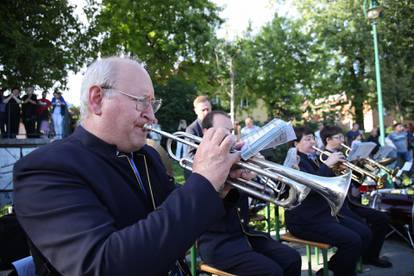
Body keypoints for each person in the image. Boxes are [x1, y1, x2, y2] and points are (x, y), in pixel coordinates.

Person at [13, 56, 247, 275]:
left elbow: (182, 221)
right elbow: (103, 265)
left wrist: (219, 187)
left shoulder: (147, 157)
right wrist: (202, 182)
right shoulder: (44, 169)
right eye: (142, 102)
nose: (152, 117)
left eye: (152, 105)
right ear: (97, 99)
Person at [197, 111, 302, 276]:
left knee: (292, 258)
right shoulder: (198, 162)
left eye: (231, 131)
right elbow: (204, 207)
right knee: (271, 272)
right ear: (206, 133)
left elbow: (270, 197)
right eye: (224, 131)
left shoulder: (236, 157)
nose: (230, 137)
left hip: (245, 234)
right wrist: (233, 181)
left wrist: (261, 173)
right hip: (219, 243)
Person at [285, 126, 372, 276]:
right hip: (304, 221)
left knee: (365, 233)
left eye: (313, 138)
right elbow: (310, 189)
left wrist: (344, 168)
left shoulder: (314, 158)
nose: (312, 142)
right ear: (295, 144)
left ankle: (332, 268)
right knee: (352, 241)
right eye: (307, 139)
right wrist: (327, 165)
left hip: (324, 214)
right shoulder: (295, 163)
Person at [321, 125, 392, 268]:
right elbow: (328, 182)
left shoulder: (343, 155)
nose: (342, 140)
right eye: (338, 137)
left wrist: (359, 165)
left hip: (351, 202)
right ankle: (334, 265)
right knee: (362, 230)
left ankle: (371, 256)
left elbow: (354, 180)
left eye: (342, 137)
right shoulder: (322, 158)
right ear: (328, 140)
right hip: (338, 207)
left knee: (382, 218)